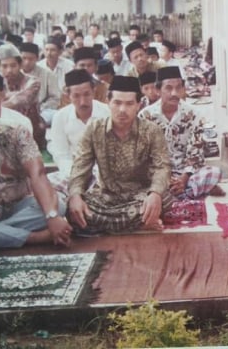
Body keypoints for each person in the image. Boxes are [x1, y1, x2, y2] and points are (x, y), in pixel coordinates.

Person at [0, 85, 72, 248]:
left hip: (20, 206)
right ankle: (34, 238)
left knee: (58, 206)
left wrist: (51, 216)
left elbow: (37, 173)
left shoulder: (15, 132)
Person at [67, 76, 171, 234]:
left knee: (163, 199)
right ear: (108, 101)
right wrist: (75, 195)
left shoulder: (152, 130)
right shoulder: (94, 129)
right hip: (106, 196)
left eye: (129, 103)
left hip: (140, 195)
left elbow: (162, 166)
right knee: (73, 209)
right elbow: (81, 165)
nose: (122, 109)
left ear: (139, 104)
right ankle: (138, 224)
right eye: (117, 102)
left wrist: (155, 194)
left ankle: (106, 225)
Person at [139, 67, 225, 199]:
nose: (174, 93)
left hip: (186, 173)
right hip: (157, 174)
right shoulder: (145, 116)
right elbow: (144, 156)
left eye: (178, 87)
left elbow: (195, 153)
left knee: (213, 172)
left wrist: (183, 179)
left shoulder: (194, 114)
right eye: (168, 88)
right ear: (158, 90)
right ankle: (193, 191)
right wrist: (164, 177)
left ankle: (177, 192)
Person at [48, 69, 110, 179]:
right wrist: (75, 176)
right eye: (76, 96)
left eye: (87, 94)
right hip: (72, 172)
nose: (83, 102)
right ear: (68, 95)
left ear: (93, 91)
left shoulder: (107, 113)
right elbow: (61, 155)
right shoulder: (60, 117)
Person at [0, 43, 46, 149]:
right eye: (4, 66)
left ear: (20, 65)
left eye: (13, 65)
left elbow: (18, 101)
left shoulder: (33, 81)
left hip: (31, 131)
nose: (9, 70)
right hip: (3, 132)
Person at [20, 42, 60, 126]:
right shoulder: (15, 73)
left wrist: (41, 108)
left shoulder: (48, 74)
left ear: (37, 59)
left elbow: (55, 98)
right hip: (18, 111)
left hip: (41, 111)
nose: (27, 62)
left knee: (56, 116)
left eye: (31, 59)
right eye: (24, 58)